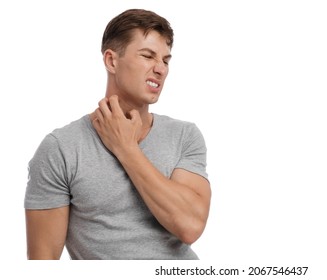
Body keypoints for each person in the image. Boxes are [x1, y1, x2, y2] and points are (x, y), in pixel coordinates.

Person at [24, 9, 211, 260]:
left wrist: (126, 148)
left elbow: (190, 226)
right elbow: (42, 261)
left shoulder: (184, 135)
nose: (160, 69)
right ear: (112, 61)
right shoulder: (61, 147)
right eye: (148, 56)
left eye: (165, 60)